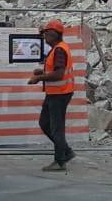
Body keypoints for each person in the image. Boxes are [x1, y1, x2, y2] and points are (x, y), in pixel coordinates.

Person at [28, 19, 76, 171]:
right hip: (55, 94)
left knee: (57, 128)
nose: (44, 37)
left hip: (59, 94)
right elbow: (55, 70)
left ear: (53, 34)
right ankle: (66, 151)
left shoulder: (60, 50)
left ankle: (60, 161)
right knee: (45, 123)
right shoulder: (57, 48)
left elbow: (59, 74)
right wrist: (42, 73)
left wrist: (38, 78)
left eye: (46, 34)